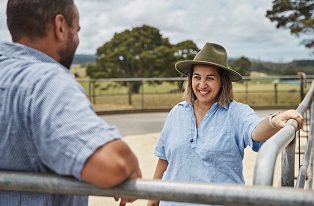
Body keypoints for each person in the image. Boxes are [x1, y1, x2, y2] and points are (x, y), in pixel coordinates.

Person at [0, 0, 141, 206]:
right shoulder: (46, 82)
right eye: (76, 29)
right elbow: (111, 165)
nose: (76, 38)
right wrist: (131, 164)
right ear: (60, 26)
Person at [147, 42, 303, 206]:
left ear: (223, 81)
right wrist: (153, 197)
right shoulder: (177, 112)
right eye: (197, 77)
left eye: (210, 78)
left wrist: (274, 121)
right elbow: (164, 158)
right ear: (190, 79)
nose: (202, 85)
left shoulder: (236, 113)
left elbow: (255, 131)